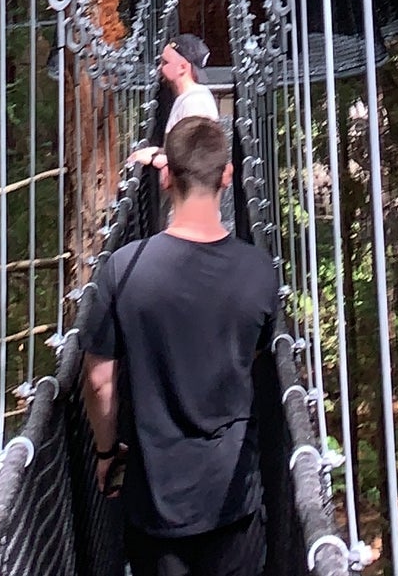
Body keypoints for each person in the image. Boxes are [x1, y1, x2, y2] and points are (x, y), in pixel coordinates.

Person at [80, 114, 279, 576]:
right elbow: (251, 359)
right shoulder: (259, 272)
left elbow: (98, 378)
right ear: (228, 175)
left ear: (165, 174)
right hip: (234, 497)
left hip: (154, 501)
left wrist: (107, 453)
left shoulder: (125, 268)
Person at [129, 34, 220, 171]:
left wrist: (155, 159)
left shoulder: (195, 102)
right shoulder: (188, 98)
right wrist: (156, 151)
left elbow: (198, 157)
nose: (159, 68)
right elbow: (184, 148)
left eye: (165, 62)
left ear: (183, 67)